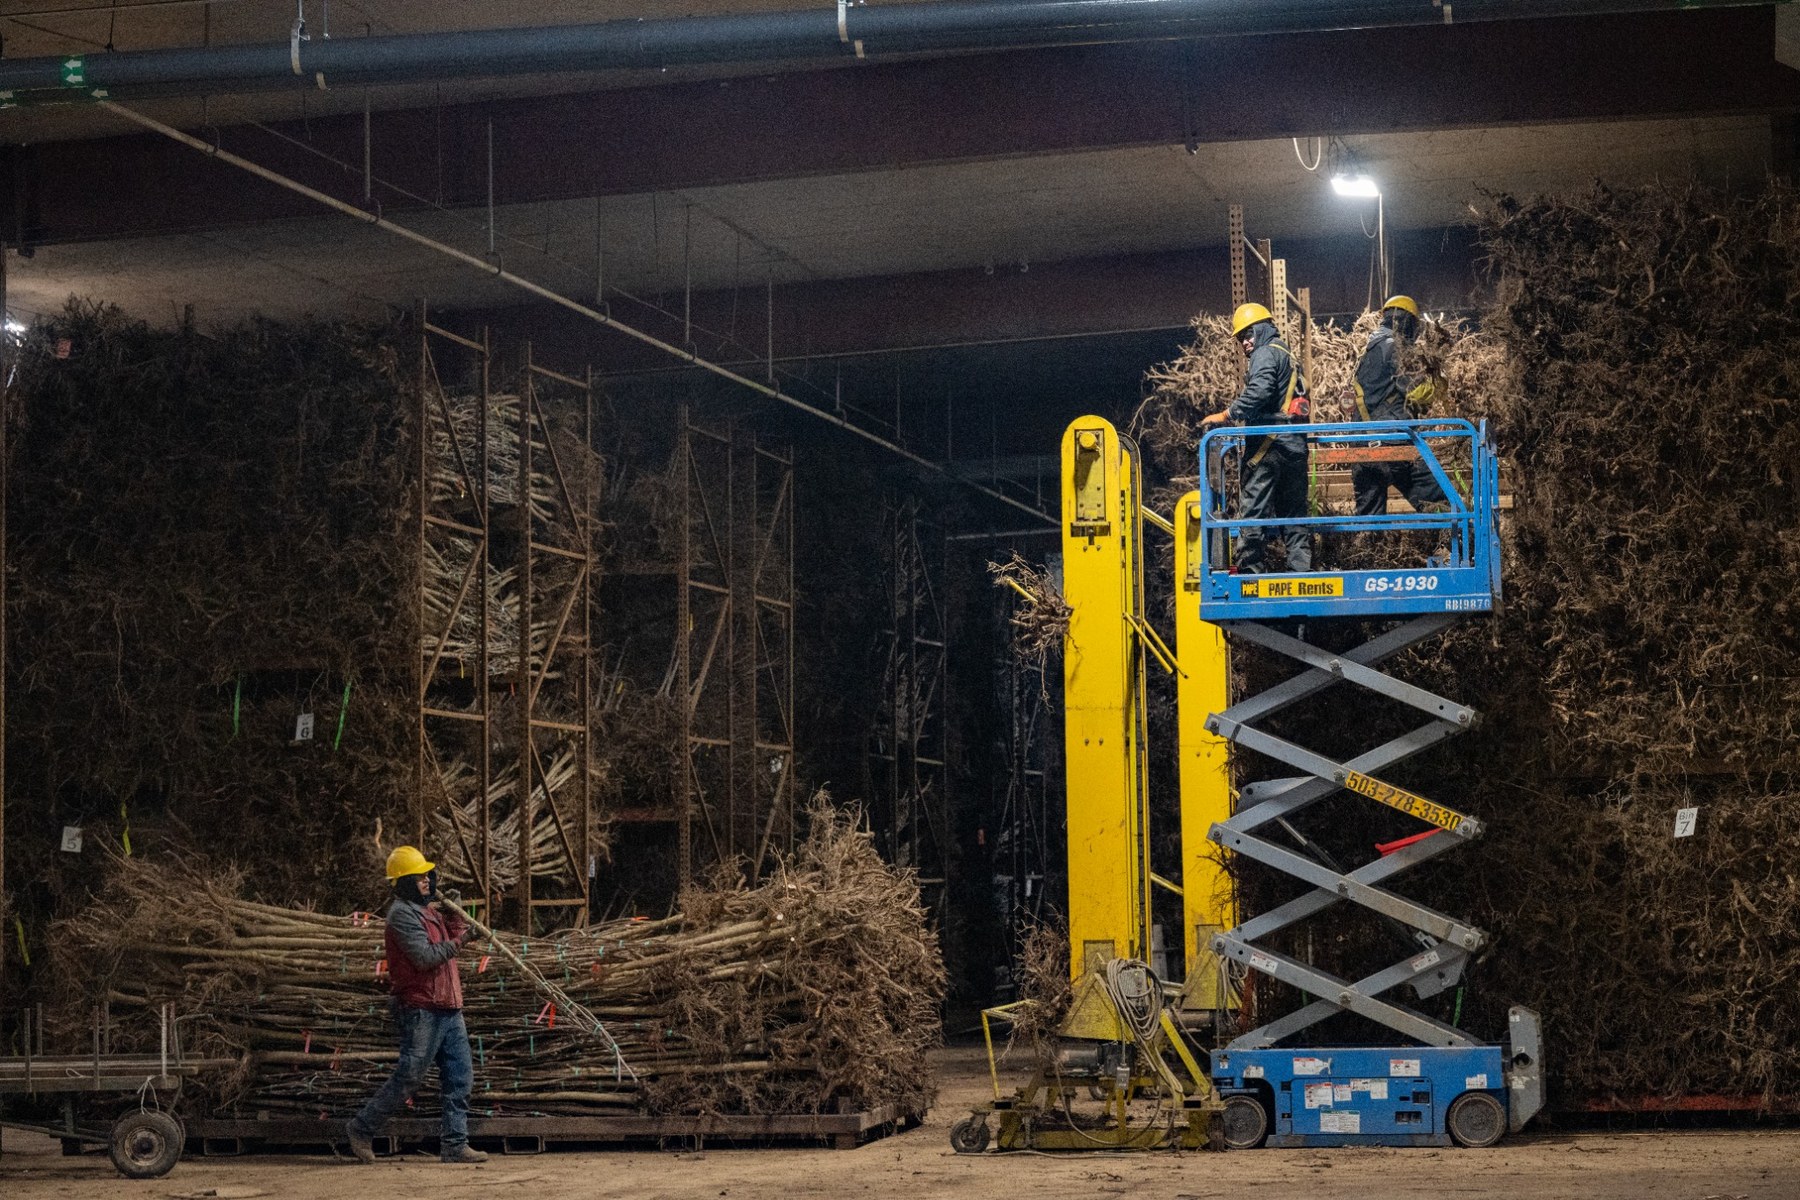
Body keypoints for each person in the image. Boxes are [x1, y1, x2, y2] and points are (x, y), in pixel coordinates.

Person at [347, 846, 487, 1165]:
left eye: (427, 875)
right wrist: (462, 941)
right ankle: (361, 1128)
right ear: (405, 882)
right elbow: (425, 957)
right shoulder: (401, 915)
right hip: (421, 1007)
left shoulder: (428, 909)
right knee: (409, 1076)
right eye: (420, 876)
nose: (427, 881)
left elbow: (452, 939)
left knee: (460, 1076)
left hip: (448, 1006)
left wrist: (454, 916)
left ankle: (454, 1145)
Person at [1200, 303, 1312, 573]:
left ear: (1262, 329)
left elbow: (1260, 392)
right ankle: (1301, 573)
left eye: (1248, 334)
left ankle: (1250, 573)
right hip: (1294, 446)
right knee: (1294, 515)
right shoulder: (1288, 356)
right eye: (1240, 338)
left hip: (1268, 446)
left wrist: (1227, 414)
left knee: (1254, 512)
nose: (1245, 343)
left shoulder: (1265, 353)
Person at [1350, 295, 1447, 515]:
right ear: (1410, 323)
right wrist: (1439, 380)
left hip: (1362, 445)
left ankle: (1365, 548)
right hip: (1392, 443)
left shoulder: (1371, 349)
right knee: (1439, 504)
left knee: (1369, 520)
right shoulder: (1397, 348)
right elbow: (1417, 393)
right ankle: (1452, 545)